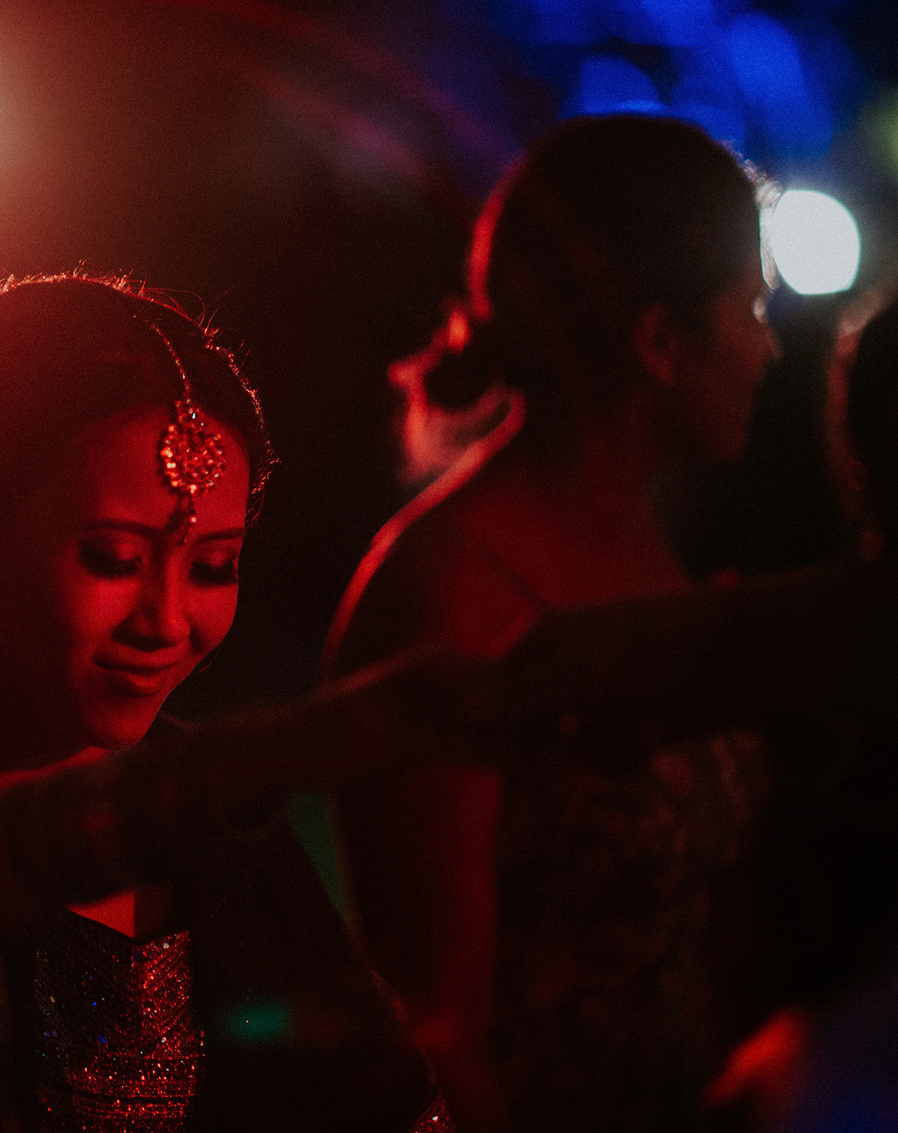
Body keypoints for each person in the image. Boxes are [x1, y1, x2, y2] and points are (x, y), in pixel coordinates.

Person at [0, 274, 455, 1132]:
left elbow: (383, 1100)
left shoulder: (224, 833)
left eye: (213, 566)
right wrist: (294, 748)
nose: (166, 619)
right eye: (114, 557)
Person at [323, 115, 780, 1131]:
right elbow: (435, 1021)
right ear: (659, 342)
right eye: (750, 306)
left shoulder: (650, 549)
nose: (768, 347)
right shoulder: (450, 590)